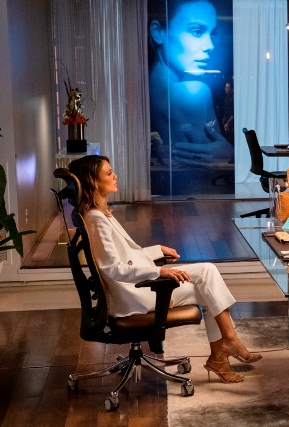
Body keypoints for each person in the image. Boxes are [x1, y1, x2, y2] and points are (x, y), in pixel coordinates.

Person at [68, 155, 260, 384]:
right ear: (93, 182)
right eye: (109, 173)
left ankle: (222, 353)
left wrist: (157, 250)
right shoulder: (96, 219)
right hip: (132, 296)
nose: (115, 175)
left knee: (210, 286)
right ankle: (227, 344)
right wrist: (159, 272)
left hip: (134, 289)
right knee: (209, 279)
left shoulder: (99, 214)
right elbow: (114, 268)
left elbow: (125, 257)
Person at [148, 0, 233, 169]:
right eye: (197, 32)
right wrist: (232, 154)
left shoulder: (148, 88)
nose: (210, 46)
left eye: (212, 34)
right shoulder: (193, 92)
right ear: (158, 32)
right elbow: (215, 170)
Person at [222, 81, 234, 145]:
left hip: (231, 122)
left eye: (227, 88)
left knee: (231, 138)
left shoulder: (234, 98)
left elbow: (233, 113)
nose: (225, 89)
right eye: (225, 87)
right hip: (227, 121)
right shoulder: (226, 97)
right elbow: (226, 109)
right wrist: (224, 119)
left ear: (231, 89)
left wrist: (228, 122)